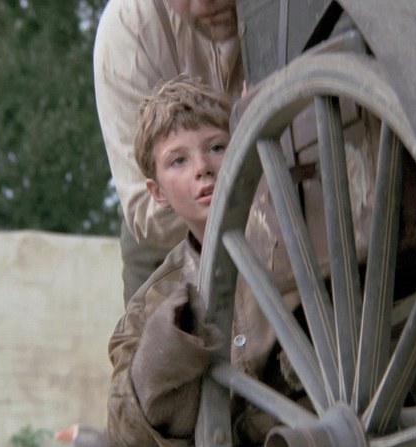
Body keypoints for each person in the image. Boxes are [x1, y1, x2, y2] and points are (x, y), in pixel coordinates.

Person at [106, 76, 241, 446]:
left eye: (217, 147)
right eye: (178, 160)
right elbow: (125, 430)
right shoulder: (150, 303)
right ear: (158, 193)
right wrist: (167, 344)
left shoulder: (297, 245)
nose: (203, 167)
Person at [93, 0, 244, 303]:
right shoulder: (129, 28)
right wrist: (246, 192)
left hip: (295, 210)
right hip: (172, 238)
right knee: (152, 328)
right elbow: (145, 209)